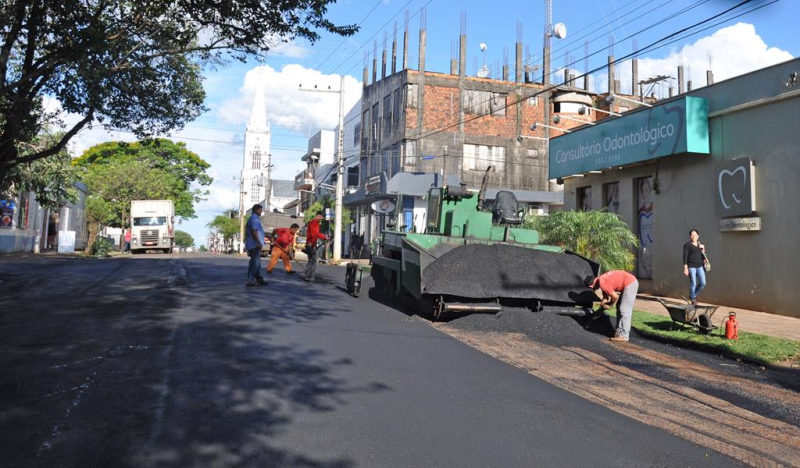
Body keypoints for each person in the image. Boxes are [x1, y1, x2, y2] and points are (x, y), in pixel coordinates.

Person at [585, 270, 639, 342]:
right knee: (619, 306)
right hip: (628, 282)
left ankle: (624, 335)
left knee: (624, 308)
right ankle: (618, 332)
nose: (594, 290)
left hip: (630, 283)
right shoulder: (601, 279)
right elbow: (605, 298)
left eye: (593, 289)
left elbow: (615, 296)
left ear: (591, 286)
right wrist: (602, 307)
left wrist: (610, 304)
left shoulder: (602, 282)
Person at [301, 211, 328, 283]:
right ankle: (311, 276)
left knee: (311, 260)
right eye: (321, 217)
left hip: (309, 243)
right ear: (318, 215)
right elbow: (315, 234)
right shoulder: (314, 223)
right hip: (311, 244)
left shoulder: (313, 222)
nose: (321, 218)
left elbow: (314, 234)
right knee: (314, 260)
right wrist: (324, 237)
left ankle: (304, 273)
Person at [244, 204, 267, 287]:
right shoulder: (254, 219)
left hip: (254, 244)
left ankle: (258, 279)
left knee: (257, 263)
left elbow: (258, 232)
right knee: (255, 263)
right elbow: (254, 231)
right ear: (256, 210)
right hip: (253, 244)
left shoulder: (255, 219)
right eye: (260, 210)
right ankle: (251, 280)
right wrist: (258, 242)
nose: (261, 212)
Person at [683, 229, 707, 305]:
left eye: (695, 235)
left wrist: (703, 249)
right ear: (690, 236)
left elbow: (703, 255)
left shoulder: (700, 244)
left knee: (703, 283)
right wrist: (685, 268)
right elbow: (685, 257)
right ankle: (693, 299)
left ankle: (692, 296)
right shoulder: (687, 245)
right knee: (693, 282)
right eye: (692, 235)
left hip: (700, 266)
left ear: (698, 236)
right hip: (691, 266)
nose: (693, 236)